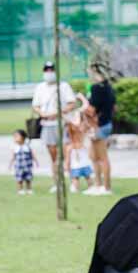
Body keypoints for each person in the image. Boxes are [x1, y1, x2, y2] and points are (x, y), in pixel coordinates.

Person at [31, 61, 79, 189]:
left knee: (65, 154)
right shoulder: (40, 87)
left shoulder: (63, 86)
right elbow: (35, 105)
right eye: (47, 70)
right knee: (53, 156)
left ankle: (72, 182)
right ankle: (57, 183)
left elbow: (72, 103)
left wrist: (59, 112)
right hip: (47, 124)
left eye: (51, 70)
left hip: (61, 123)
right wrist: (43, 114)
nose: (49, 73)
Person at [85, 66, 115, 195]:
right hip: (106, 123)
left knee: (102, 158)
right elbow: (114, 107)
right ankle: (98, 185)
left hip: (98, 126)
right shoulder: (109, 88)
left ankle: (106, 187)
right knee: (94, 156)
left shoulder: (96, 89)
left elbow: (91, 110)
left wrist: (82, 103)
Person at [9, 130, 37, 194]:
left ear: (23, 137)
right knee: (19, 179)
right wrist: (10, 165)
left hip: (27, 167)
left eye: (17, 136)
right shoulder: (15, 147)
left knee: (28, 178)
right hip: (19, 167)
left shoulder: (27, 146)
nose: (15, 138)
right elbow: (13, 157)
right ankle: (20, 190)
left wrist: (36, 161)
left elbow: (32, 154)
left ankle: (29, 189)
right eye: (14, 137)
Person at [67, 129, 93, 194]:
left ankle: (75, 188)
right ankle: (90, 187)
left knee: (75, 178)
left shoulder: (70, 147)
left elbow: (68, 159)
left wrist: (67, 166)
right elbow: (89, 154)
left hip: (76, 166)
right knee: (88, 177)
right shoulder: (83, 145)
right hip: (85, 165)